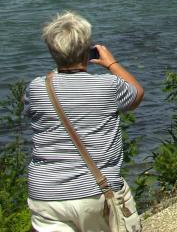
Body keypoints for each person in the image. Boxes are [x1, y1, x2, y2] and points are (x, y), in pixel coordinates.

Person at [25, 12, 144, 232]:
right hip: (94, 192)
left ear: (52, 51)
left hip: (45, 195)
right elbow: (136, 94)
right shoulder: (107, 86)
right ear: (88, 50)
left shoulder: (37, 88)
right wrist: (111, 63)